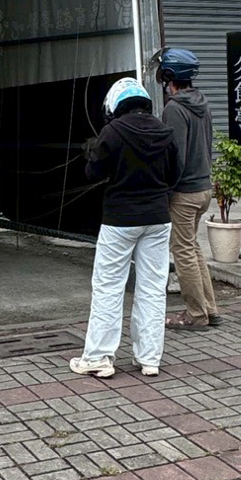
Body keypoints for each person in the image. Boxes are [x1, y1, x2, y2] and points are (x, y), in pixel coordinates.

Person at [69, 78, 179, 379]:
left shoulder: (113, 131)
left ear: (115, 105)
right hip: (157, 219)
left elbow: (94, 172)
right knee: (153, 289)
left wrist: (92, 152)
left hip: (119, 221)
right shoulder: (165, 132)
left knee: (109, 287)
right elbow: (175, 175)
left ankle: (99, 357)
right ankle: (149, 358)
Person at [156, 48, 220, 330]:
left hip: (184, 192)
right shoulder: (201, 103)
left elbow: (174, 156)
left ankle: (195, 314)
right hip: (203, 187)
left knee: (182, 251)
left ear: (169, 75)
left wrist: (166, 190)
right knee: (192, 248)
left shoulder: (174, 108)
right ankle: (209, 308)